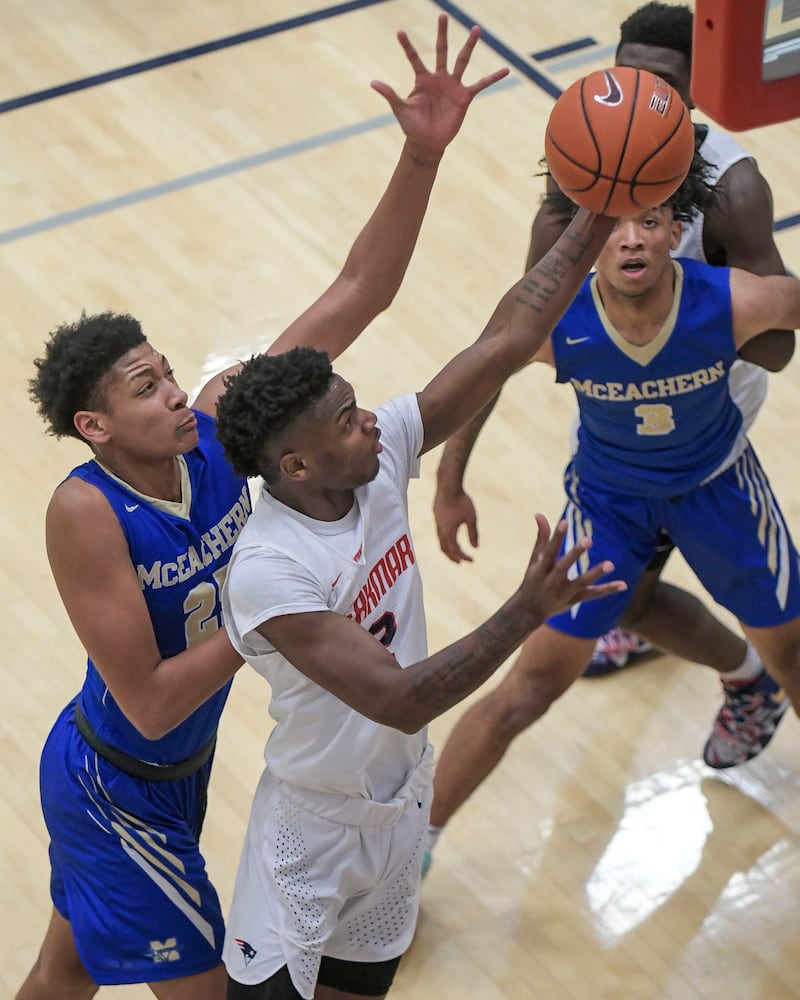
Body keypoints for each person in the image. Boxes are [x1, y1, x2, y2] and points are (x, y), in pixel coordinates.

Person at [16, 17, 509, 1000]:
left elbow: (360, 287)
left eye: (167, 373)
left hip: (178, 774)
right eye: (147, 388)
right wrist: (279, 619)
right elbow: (153, 698)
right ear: (95, 426)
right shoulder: (87, 513)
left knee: (63, 970)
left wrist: (419, 154)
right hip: (119, 783)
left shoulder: (222, 437)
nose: (175, 393)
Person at [213, 196, 627, 996]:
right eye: (345, 421)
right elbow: (398, 699)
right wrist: (523, 610)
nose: (371, 422)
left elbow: (506, 340)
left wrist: (599, 214)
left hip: (403, 804)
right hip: (313, 828)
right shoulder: (270, 567)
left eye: (357, 403)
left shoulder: (377, 454)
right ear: (295, 467)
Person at [424, 195, 800, 877]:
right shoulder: (558, 321)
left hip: (719, 489)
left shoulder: (730, 301)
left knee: (795, 655)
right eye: (615, 228)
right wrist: (450, 482)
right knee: (529, 686)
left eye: (649, 224)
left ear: (675, 234)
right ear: (587, 242)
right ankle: (410, 849)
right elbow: (480, 372)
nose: (632, 241)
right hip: (607, 505)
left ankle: (756, 680)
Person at [434, 1, 794, 680]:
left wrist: (699, 307)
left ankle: (749, 677)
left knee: (624, 595)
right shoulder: (580, 183)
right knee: (624, 601)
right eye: (627, 78)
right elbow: (509, 345)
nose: (640, 98)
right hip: (621, 399)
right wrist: (450, 477)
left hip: (713, 405)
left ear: (695, 94)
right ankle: (743, 672)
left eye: (663, 86)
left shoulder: (732, 187)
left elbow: (776, 348)